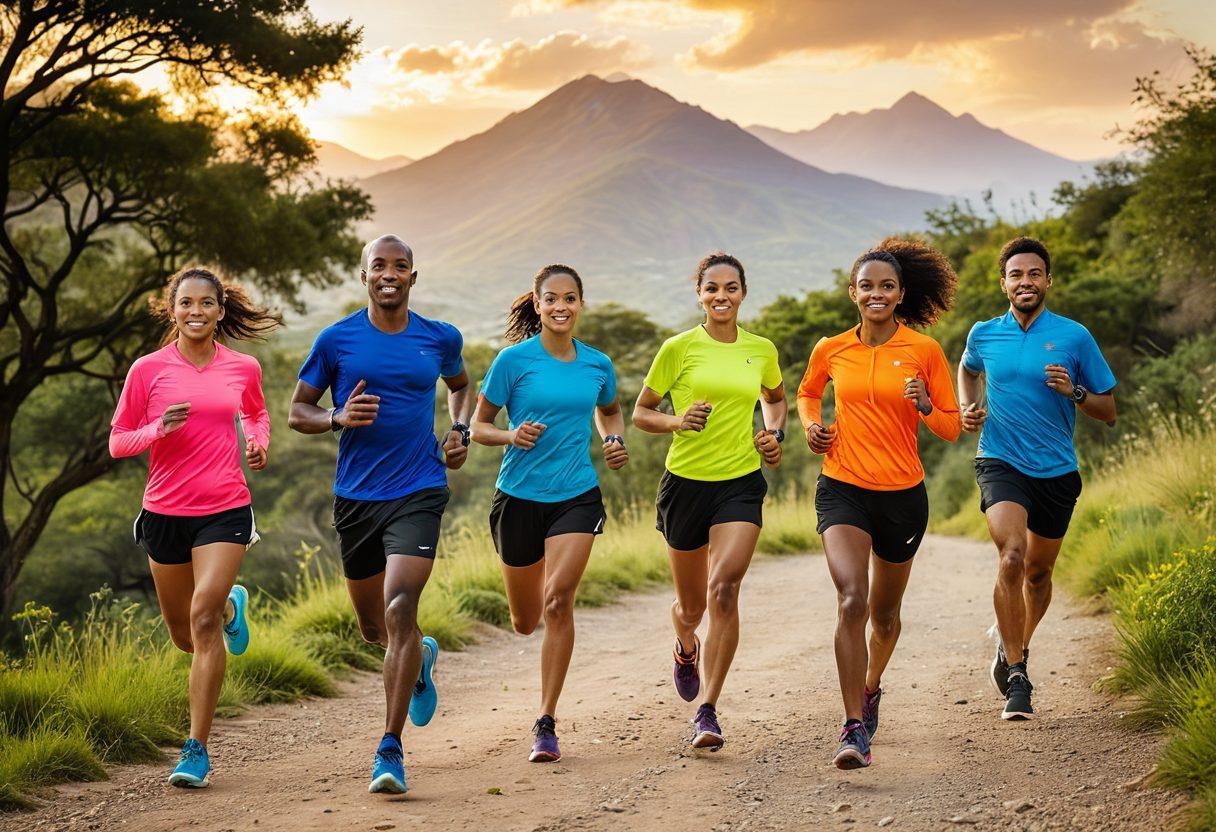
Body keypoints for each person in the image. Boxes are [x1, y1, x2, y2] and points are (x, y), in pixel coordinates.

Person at [287, 235, 473, 793]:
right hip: (357, 497)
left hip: (419, 487)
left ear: (414, 276)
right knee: (374, 628)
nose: (389, 274)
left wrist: (458, 431)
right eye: (379, 266)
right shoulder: (336, 340)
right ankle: (421, 654)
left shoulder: (440, 338)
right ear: (363, 275)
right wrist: (336, 418)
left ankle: (389, 750)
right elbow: (298, 410)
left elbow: (461, 388)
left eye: (401, 266)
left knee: (399, 605)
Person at [110, 266, 278, 788]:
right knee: (186, 636)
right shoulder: (147, 370)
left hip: (225, 508)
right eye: (187, 303)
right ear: (173, 309)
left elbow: (257, 414)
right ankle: (232, 604)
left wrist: (257, 441)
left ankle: (196, 748)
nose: (197, 312)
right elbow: (118, 441)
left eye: (207, 303)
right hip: (163, 512)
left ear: (220, 311)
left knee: (202, 622)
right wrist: (158, 429)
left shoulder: (242, 366)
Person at [797, 238, 960, 770]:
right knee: (852, 601)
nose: (876, 294)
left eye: (886, 286)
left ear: (900, 294)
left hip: (902, 496)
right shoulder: (831, 348)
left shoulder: (924, 350)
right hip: (842, 486)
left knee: (885, 617)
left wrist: (926, 403)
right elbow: (806, 392)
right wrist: (812, 427)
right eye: (866, 285)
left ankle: (870, 687)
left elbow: (952, 428)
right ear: (852, 292)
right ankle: (851, 729)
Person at [470, 264, 628, 763]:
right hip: (518, 496)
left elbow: (610, 409)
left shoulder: (597, 364)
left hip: (576, 494)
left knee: (559, 600)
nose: (561, 306)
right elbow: (478, 427)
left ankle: (546, 721)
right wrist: (510, 435)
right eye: (551, 299)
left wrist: (614, 439)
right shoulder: (512, 362)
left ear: (581, 304)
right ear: (537, 305)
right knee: (524, 620)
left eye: (570, 298)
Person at [958, 236, 1116, 721]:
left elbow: (1108, 411)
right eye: (1015, 275)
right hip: (1000, 460)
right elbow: (966, 370)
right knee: (1011, 557)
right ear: (1003, 282)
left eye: (1033, 274)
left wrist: (1074, 391)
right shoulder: (984, 333)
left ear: (1048, 280)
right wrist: (967, 405)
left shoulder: (1074, 337)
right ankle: (1020, 676)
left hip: (1057, 471)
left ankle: (1013, 646)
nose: (1024, 282)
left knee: (1038, 573)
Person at [632, 252, 786, 751]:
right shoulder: (679, 348)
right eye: (712, 288)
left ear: (744, 293)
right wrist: (678, 421)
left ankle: (708, 710)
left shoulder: (761, 349)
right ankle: (684, 645)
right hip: (685, 485)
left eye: (731, 287)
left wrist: (773, 432)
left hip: (740, 482)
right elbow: (640, 414)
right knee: (691, 606)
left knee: (725, 589)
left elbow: (776, 399)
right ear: (699, 294)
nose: (722, 296)